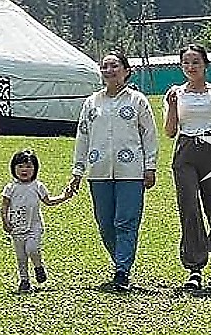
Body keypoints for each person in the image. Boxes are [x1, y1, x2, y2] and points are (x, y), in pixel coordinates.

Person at [64, 49, 159, 291]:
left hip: (131, 171)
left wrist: (150, 167)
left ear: (126, 71)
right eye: (105, 66)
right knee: (105, 222)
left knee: (126, 221)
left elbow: (149, 135)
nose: (109, 70)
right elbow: (82, 137)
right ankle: (120, 261)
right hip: (98, 171)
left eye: (114, 66)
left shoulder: (137, 100)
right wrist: (77, 170)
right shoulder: (91, 102)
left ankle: (122, 270)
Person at [164, 43, 211, 292]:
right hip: (186, 151)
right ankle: (195, 267)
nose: (190, 67)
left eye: (195, 62)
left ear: (205, 65)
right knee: (189, 208)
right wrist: (172, 107)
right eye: (186, 63)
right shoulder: (175, 93)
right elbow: (170, 132)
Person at [1, 148, 69, 293]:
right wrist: (5, 221)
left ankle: (38, 266)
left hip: (34, 227)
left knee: (32, 249)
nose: (24, 170)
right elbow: (4, 206)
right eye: (20, 166)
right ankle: (24, 280)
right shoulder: (10, 188)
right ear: (13, 168)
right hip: (16, 228)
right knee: (21, 257)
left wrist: (64, 196)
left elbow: (49, 201)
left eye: (29, 166)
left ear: (35, 169)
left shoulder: (38, 186)